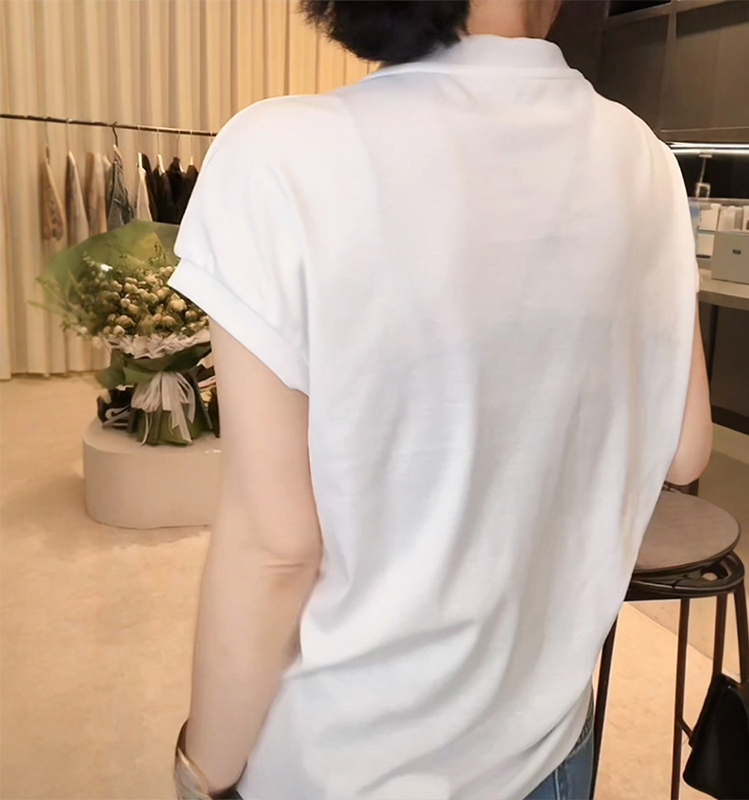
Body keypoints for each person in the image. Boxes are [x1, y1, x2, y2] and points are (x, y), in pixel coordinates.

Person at [168, 1, 712, 798]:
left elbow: (275, 546)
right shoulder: (645, 161)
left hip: (347, 768)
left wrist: (200, 772)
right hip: (547, 752)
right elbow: (687, 449)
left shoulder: (280, 155)